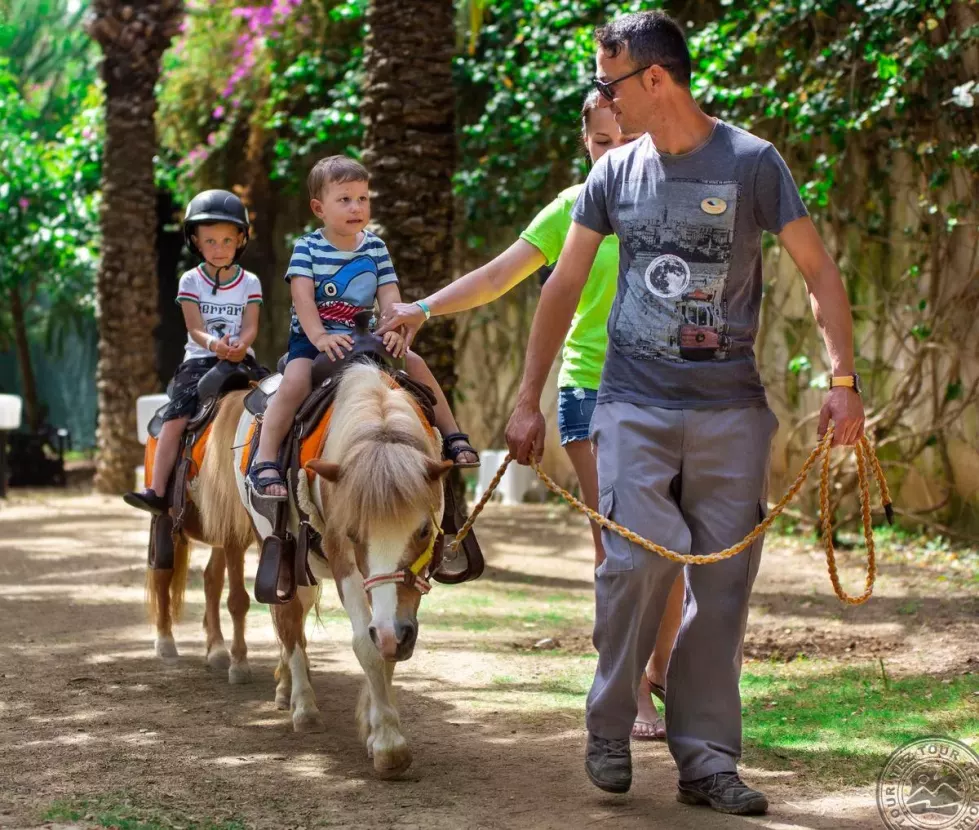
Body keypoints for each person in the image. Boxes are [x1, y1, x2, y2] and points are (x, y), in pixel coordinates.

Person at [504, 11, 865, 816]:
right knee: (637, 555)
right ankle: (607, 724)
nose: (604, 99)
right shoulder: (612, 174)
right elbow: (560, 287)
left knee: (724, 582)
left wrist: (842, 377)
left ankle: (705, 762)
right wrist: (527, 398)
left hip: (730, 408)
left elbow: (816, 269)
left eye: (610, 82)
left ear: (654, 79)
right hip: (631, 400)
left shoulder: (750, 164)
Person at [376, 92, 683, 741]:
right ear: (586, 146)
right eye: (602, 142)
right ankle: (628, 690)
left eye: (626, 139)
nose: (615, 152)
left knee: (671, 550)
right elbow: (497, 277)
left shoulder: (683, 199)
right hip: (590, 393)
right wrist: (423, 308)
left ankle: (661, 672)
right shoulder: (574, 209)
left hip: (668, 396)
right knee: (623, 553)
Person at [247, 155, 479, 500]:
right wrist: (321, 337)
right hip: (313, 340)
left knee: (415, 363)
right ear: (319, 208)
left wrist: (391, 329)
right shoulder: (307, 248)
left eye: (362, 198)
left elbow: (389, 296)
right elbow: (304, 300)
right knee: (294, 382)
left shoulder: (375, 247)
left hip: (364, 336)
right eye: (344, 199)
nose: (356, 207)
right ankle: (264, 460)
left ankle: (453, 435)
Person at [124, 190, 264, 514]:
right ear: (197, 242)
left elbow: (251, 326)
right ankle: (157, 490)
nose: (219, 249)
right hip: (201, 360)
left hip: (242, 357)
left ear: (240, 240)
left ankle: (267, 478)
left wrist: (241, 346)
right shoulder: (190, 280)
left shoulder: (250, 283)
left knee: (272, 402)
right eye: (211, 241)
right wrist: (216, 346)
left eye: (227, 241)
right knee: (176, 417)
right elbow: (194, 327)